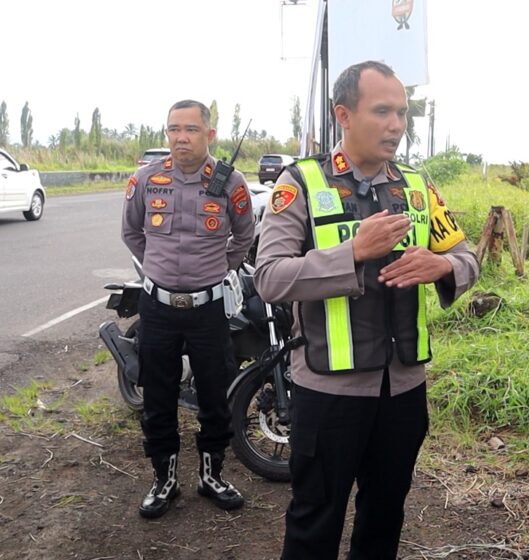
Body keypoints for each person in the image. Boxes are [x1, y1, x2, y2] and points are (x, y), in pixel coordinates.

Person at [254, 60, 480, 560]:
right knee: (316, 518)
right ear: (345, 115)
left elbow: (468, 259)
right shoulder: (301, 184)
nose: (397, 125)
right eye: (382, 111)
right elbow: (269, 278)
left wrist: (440, 267)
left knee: (385, 514)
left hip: (402, 391)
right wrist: (352, 253)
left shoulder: (418, 186)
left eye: (401, 113)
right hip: (328, 391)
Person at [122, 99, 254, 519]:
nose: (181, 137)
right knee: (158, 397)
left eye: (191, 129)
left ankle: (211, 475)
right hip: (158, 308)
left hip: (208, 309)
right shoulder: (146, 179)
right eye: (174, 129)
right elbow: (131, 232)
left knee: (215, 395)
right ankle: (165, 480)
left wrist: (215, 270)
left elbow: (244, 236)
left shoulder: (231, 183)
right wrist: (161, 271)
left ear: (209, 135)